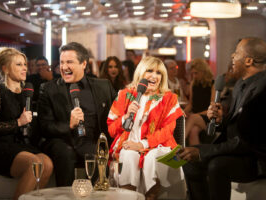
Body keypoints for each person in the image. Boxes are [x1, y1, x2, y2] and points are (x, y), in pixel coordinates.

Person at [180, 37, 266, 200]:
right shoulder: (240, 85)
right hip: (237, 151)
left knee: (217, 166)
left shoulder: (264, 89)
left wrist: (203, 151)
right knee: (189, 161)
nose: (232, 57)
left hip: (256, 159)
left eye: (236, 53)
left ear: (249, 60)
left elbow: (246, 141)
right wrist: (218, 120)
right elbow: (234, 125)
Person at [37, 42, 116, 186]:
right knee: (66, 153)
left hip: (93, 141)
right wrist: (69, 125)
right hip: (63, 141)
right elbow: (44, 126)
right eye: (61, 62)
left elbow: (116, 115)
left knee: (97, 153)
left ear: (83, 64)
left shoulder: (103, 86)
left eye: (69, 62)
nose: (64, 67)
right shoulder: (48, 89)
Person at [107, 56, 184, 200]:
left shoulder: (169, 98)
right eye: (150, 71)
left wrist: (142, 144)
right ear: (141, 73)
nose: (154, 76)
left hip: (158, 146)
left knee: (152, 158)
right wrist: (126, 116)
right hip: (128, 145)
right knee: (129, 155)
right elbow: (111, 130)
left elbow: (167, 131)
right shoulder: (124, 95)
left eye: (159, 72)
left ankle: (151, 196)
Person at [0, 47, 53, 200]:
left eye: (25, 64)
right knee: (35, 163)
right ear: (6, 69)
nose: (25, 68)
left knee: (47, 163)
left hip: (21, 144)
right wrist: (18, 122)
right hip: (0, 145)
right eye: (19, 64)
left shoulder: (27, 92)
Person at [184, 58, 215, 145]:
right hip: (194, 117)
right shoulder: (193, 84)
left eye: (196, 73)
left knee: (193, 118)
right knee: (193, 131)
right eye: (192, 73)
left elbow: (212, 108)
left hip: (207, 117)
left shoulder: (212, 84)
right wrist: (183, 112)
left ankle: (178, 144)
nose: (194, 76)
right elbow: (191, 104)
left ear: (203, 71)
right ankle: (195, 157)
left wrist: (196, 115)